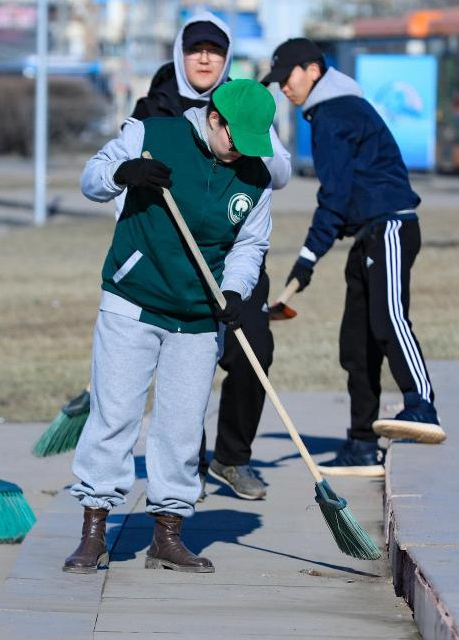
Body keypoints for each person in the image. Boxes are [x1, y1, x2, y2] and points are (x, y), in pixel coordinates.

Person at [65, 79, 275, 574]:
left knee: (181, 428)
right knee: (114, 416)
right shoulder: (150, 133)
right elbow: (91, 179)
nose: (239, 151)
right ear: (216, 118)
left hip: (199, 315)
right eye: (235, 138)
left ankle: (168, 535)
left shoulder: (255, 177)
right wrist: (125, 172)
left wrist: (236, 292)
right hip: (132, 300)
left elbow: (249, 245)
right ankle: (94, 529)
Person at [124, 12, 291, 501]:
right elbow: (118, 185)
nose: (204, 58)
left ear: (226, 58)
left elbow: (277, 175)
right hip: (170, 258)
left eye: (215, 50)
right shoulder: (152, 107)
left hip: (232, 251)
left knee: (254, 350)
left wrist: (249, 138)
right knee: (183, 361)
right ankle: (186, 467)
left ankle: (232, 458)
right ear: (179, 53)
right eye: (196, 48)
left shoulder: (244, 103)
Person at [262, 38, 440, 470]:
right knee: (356, 344)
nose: (283, 87)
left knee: (388, 318)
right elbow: (345, 198)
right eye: (279, 81)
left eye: (288, 77)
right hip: (367, 233)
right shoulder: (329, 112)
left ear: (313, 70)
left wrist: (307, 258)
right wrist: (313, 255)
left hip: (391, 226)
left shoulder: (336, 113)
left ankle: (422, 403)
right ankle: (362, 440)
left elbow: (335, 196)